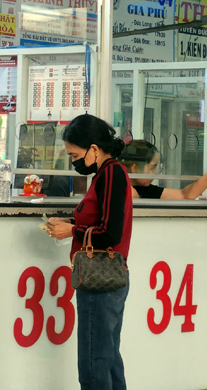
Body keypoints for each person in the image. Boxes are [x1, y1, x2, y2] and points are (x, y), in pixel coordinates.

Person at [45, 114, 132, 390]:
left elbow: (109, 233)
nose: (73, 161)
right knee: (108, 360)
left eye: (74, 154)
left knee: (94, 367)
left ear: (94, 149)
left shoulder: (111, 174)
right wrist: (71, 224)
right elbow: (99, 223)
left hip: (100, 283)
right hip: (108, 282)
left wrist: (72, 232)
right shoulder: (105, 174)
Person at [119, 140, 207, 199]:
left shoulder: (145, 189)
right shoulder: (115, 184)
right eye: (152, 167)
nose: (155, 173)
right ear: (134, 168)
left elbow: (185, 195)